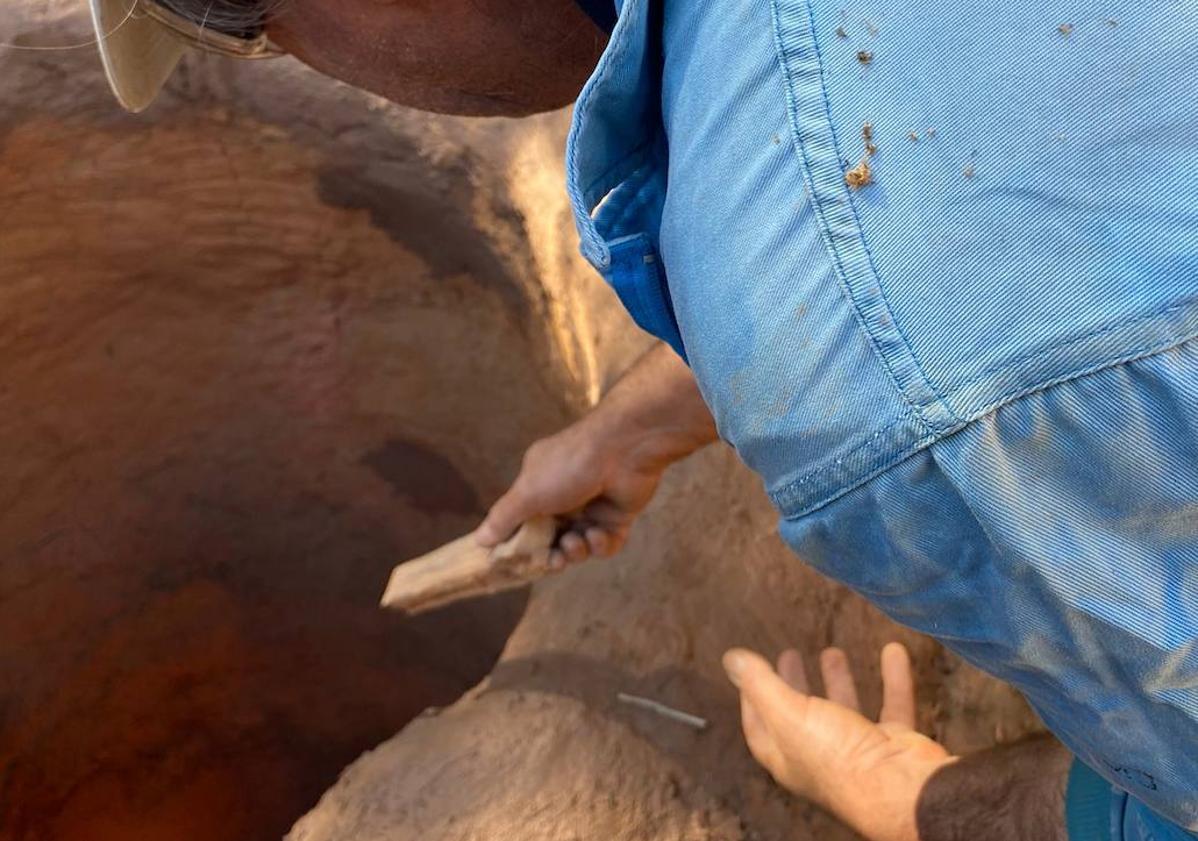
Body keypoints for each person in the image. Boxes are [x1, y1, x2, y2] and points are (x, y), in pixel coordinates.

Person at [88, 1, 1198, 839]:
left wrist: (908, 792)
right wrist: (640, 420)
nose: (314, 69)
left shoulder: (896, 399)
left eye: (264, 37)